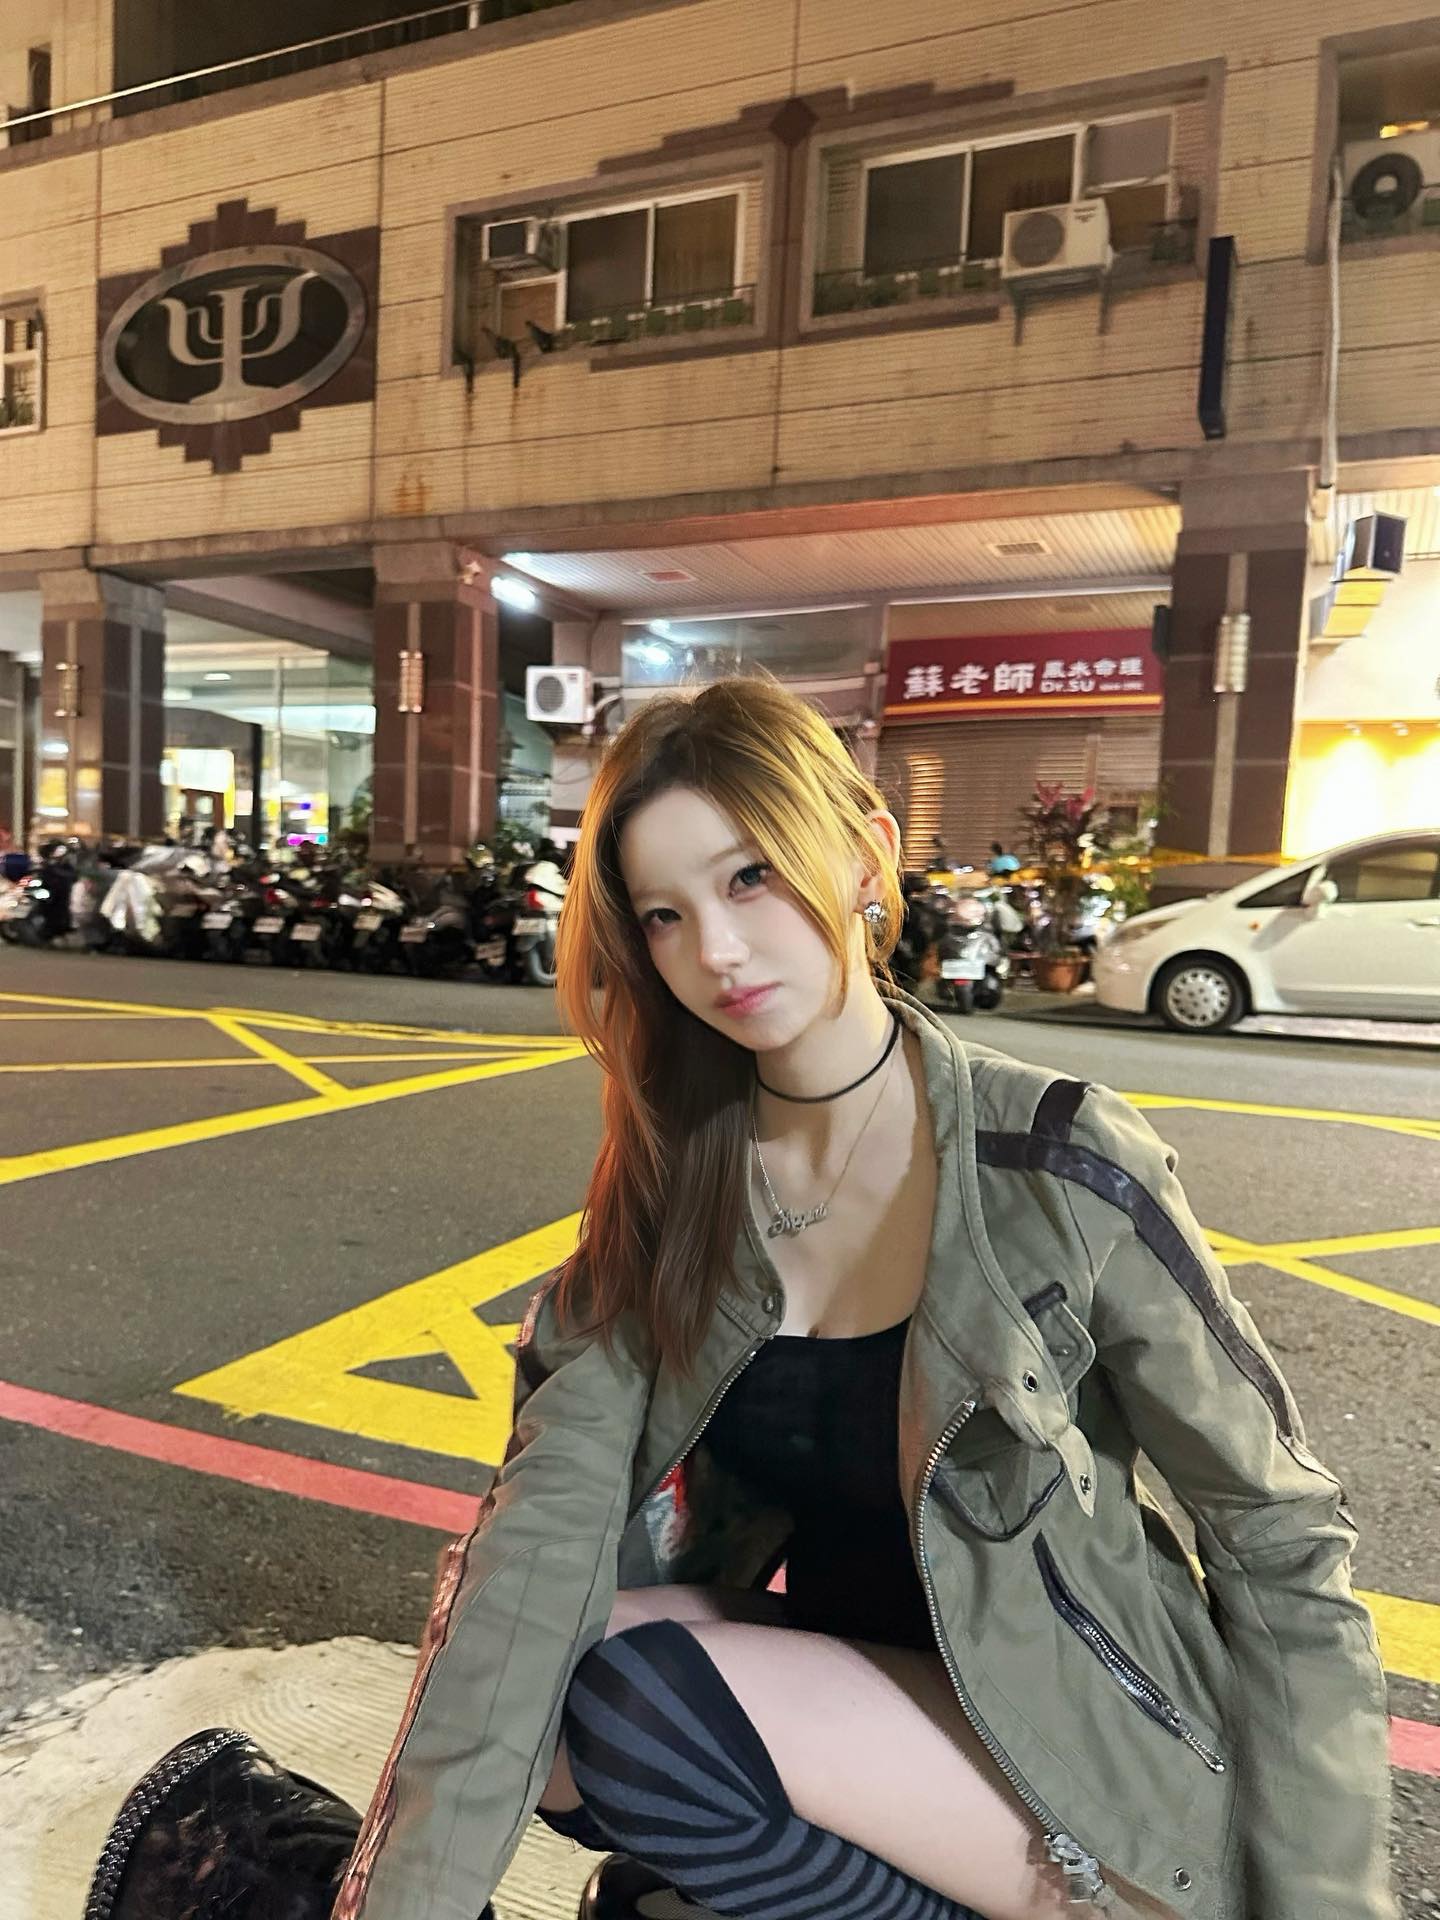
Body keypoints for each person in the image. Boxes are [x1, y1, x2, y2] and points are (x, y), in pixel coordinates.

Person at [334, 676, 1394, 1920]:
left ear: (864, 857)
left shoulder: (1055, 1159)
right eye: (666, 915)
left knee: (643, 1713)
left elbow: (1279, 1538)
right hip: (873, 1704)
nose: (716, 952)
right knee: (552, 1678)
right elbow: (539, 1541)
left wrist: (1317, 1904)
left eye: (751, 878)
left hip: (1091, 1756)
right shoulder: (681, 1186)